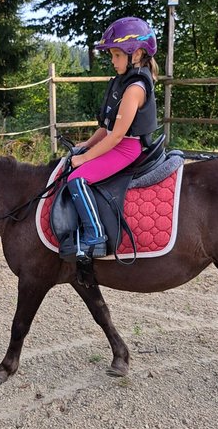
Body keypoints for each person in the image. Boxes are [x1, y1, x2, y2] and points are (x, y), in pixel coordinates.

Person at [66, 16, 160, 261]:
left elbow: (118, 136)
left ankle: (95, 235)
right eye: (112, 55)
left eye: (117, 55)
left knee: (77, 179)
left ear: (136, 54)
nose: (112, 61)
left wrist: (85, 158)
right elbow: (107, 126)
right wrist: (87, 144)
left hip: (127, 149)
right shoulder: (122, 83)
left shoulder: (134, 88)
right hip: (116, 142)